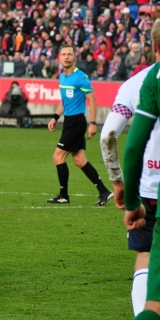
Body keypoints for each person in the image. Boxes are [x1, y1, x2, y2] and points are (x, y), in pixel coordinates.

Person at [101, 19, 160, 320]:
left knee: (152, 262)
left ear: (153, 47)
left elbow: (110, 135)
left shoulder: (141, 82)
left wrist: (120, 183)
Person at [46, 44, 113, 206]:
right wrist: (55, 117)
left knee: (58, 157)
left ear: (75, 57)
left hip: (77, 122)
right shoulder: (62, 77)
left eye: (70, 54)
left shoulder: (81, 77)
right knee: (80, 160)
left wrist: (92, 123)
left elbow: (93, 100)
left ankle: (63, 195)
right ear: (59, 57)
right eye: (64, 54)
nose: (67, 57)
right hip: (69, 121)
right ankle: (104, 192)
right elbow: (64, 101)